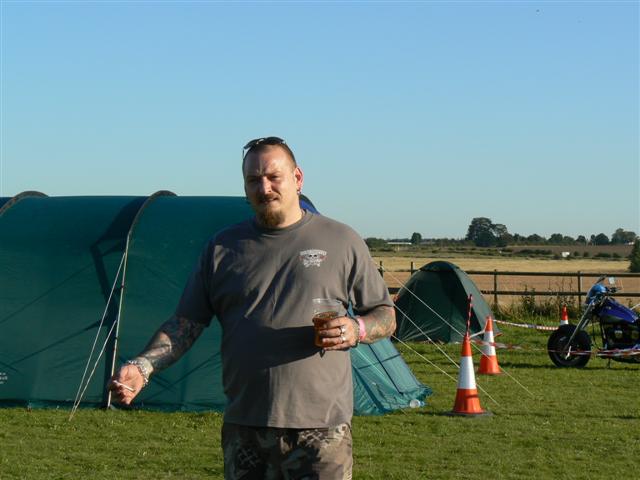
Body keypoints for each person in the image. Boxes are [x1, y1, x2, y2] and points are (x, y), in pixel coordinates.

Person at [109, 136, 396, 479]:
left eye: (274, 177)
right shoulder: (222, 248)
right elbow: (185, 324)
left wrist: (356, 329)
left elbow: (385, 315)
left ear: (298, 178)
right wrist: (143, 366)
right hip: (246, 427)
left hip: (322, 430)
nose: (264, 187)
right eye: (254, 179)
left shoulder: (341, 240)